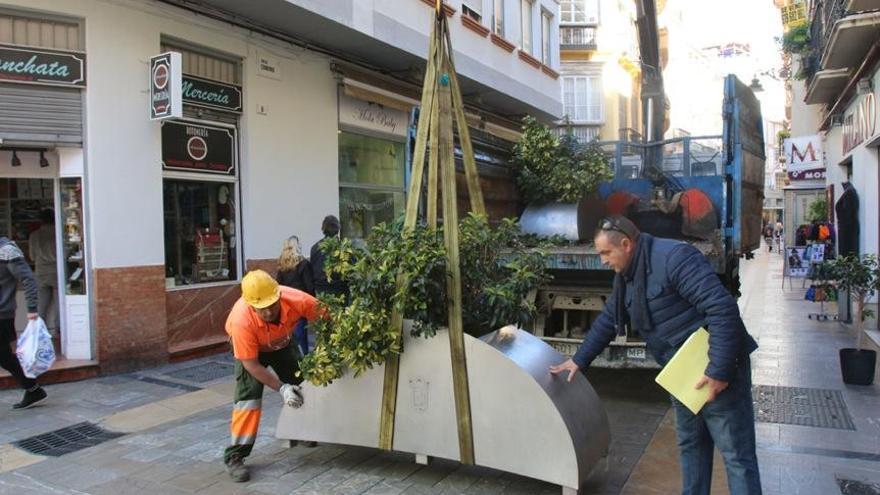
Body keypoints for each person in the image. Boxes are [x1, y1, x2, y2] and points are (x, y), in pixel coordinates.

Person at [550, 216, 761, 495]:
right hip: (681, 372)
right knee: (692, 446)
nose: (602, 261)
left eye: (605, 253)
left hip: (716, 368)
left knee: (736, 455)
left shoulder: (674, 258)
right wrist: (578, 360)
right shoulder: (626, 275)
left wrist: (719, 371)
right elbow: (609, 319)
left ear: (625, 244)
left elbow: (722, 309)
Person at [223, 269, 321, 482]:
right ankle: (235, 456)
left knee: (302, 384)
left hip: (283, 344)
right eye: (262, 309)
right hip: (252, 351)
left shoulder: (297, 299)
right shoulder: (241, 322)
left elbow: (326, 316)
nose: (268, 312)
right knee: (247, 400)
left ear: (279, 296)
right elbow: (252, 365)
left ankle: (301, 432)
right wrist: (281, 388)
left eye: (272, 306)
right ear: (251, 305)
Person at [0, 235, 47, 409]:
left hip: (2, 314)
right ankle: (33, 389)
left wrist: (32, 308)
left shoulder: (7, 251)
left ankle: (33, 388)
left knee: (4, 356)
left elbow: (28, 279)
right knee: (5, 356)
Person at [276, 235, 314, 356]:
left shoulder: (282, 265)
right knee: (301, 334)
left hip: (286, 303)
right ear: (297, 247)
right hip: (300, 302)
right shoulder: (303, 264)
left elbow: (278, 286)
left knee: (290, 333)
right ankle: (304, 358)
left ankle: (293, 358)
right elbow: (310, 286)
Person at [29, 209, 58, 342]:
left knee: (41, 305)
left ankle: (40, 333)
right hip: (57, 271)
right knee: (60, 304)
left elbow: (32, 256)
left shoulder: (35, 235)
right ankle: (60, 332)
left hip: (41, 272)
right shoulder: (58, 232)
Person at [309, 215, 348, 299]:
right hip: (339, 291)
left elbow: (312, 270)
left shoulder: (315, 248)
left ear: (323, 229)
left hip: (320, 291)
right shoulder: (343, 247)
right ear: (338, 229)